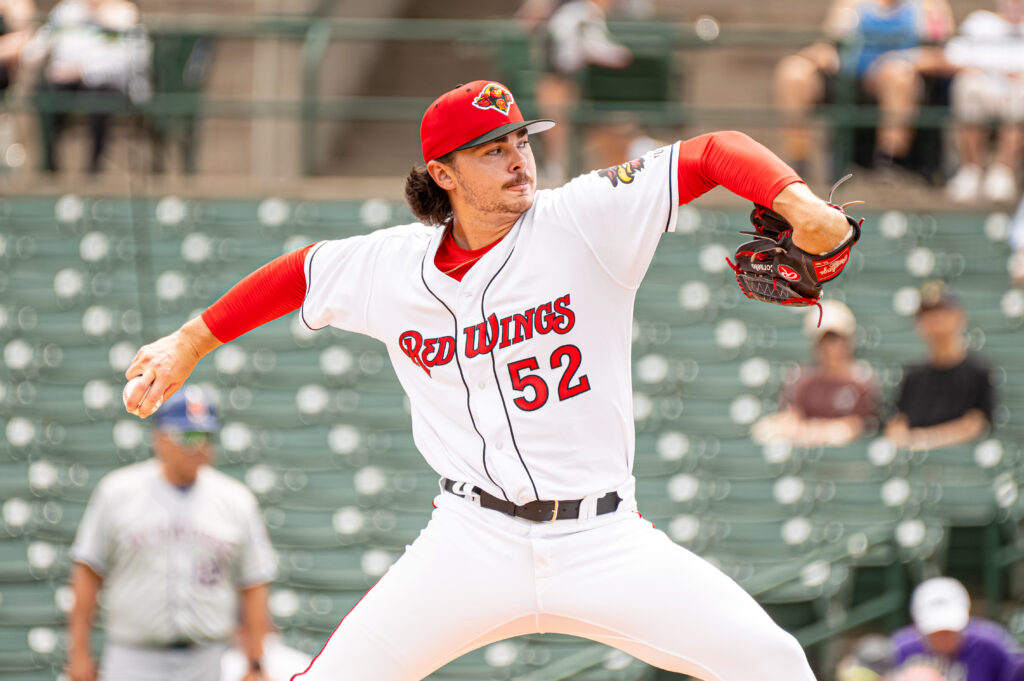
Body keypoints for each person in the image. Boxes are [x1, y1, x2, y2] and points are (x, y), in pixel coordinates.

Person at [123, 79, 855, 680]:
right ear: (442, 173)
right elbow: (300, 272)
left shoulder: (582, 221)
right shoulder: (392, 266)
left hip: (603, 538)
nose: (517, 159)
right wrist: (191, 341)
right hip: (470, 539)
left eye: (519, 142)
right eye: (489, 150)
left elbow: (710, 152)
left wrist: (798, 202)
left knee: (774, 663)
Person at [68, 386, 277, 681]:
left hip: (207, 658)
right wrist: (78, 654)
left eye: (206, 437)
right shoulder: (117, 492)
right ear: (160, 438)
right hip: (133, 657)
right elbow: (88, 573)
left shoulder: (236, 500)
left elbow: (254, 583)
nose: (199, 447)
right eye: (188, 436)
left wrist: (255, 662)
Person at [774, 0, 954, 176]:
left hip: (898, 75)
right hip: (848, 77)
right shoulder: (849, 4)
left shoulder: (929, 6)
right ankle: (798, 163)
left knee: (897, 76)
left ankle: (889, 164)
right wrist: (819, 56)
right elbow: (831, 44)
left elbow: (940, 55)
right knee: (793, 71)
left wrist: (897, 61)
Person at [20, 0, 150, 173]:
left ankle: (94, 170)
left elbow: (129, 61)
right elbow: (37, 48)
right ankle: (50, 166)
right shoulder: (65, 10)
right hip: (66, 82)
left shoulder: (124, 13)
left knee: (99, 97)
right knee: (45, 95)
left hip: (108, 85)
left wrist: (83, 72)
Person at [752, 300, 879, 447]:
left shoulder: (862, 382)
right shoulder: (802, 381)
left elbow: (859, 427)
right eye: (824, 341)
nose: (830, 348)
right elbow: (791, 419)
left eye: (835, 340)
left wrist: (819, 431)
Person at [532, 0, 635, 183]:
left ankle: (562, 172)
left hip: (575, 82)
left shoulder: (586, 12)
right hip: (559, 78)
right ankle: (553, 173)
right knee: (555, 126)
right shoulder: (581, 11)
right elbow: (591, 49)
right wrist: (623, 55)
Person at [884, 283, 995, 451]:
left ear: (959, 317)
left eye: (942, 312)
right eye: (928, 314)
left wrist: (927, 439)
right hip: (918, 467)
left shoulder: (977, 371)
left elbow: (976, 424)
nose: (936, 320)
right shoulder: (913, 376)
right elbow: (898, 421)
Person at [944, 0, 1024, 204]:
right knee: (968, 87)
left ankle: (1003, 172)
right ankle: (971, 170)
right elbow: (952, 57)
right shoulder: (979, 21)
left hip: (1016, 92)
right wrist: (985, 73)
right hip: (981, 85)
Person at [890, 577, 1022, 681]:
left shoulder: (992, 645)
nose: (944, 637)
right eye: (936, 632)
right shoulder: (899, 650)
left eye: (950, 630)